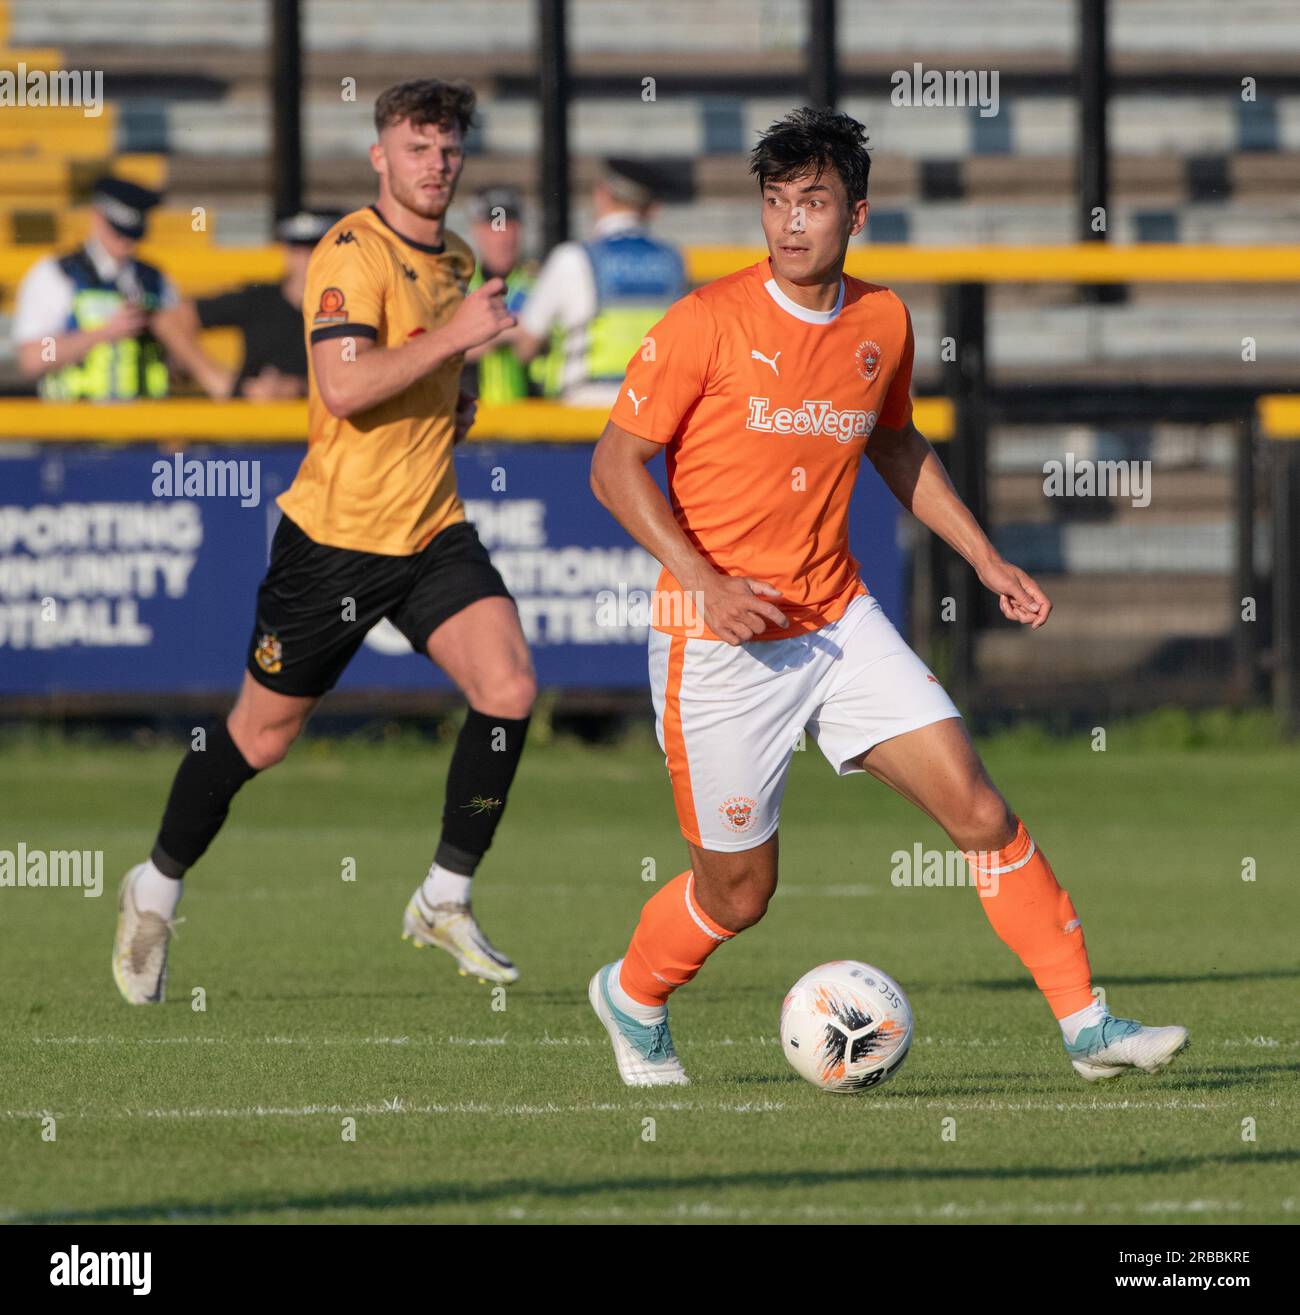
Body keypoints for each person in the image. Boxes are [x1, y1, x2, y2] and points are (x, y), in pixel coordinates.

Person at [585, 107, 1189, 1087]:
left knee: (980, 809)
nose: (789, 224)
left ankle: (1088, 1026)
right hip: (718, 641)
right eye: (775, 203)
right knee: (739, 894)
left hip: (835, 617)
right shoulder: (706, 320)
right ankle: (633, 993)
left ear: (854, 214)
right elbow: (615, 469)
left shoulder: (881, 321)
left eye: (811, 203)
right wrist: (704, 581)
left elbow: (896, 445)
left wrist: (986, 559)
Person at [111, 78, 536, 1004]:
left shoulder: (458, 257)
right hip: (334, 542)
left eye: (449, 147)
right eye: (417, 147)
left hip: (430, 529)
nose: (437, 163)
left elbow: (416, 381)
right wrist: (457, 339)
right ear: (380, 157)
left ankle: (444, 894)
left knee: (508, 686)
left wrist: (454, 400)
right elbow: (343, 389)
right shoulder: (350, 250)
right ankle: (155, 885)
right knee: (259, 739)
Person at [510, 158, 686, 406]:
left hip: (587, 407)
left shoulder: (573, 258)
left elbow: (526, 345)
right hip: (652, 408)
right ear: (651, 208)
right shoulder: (673, 261)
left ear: (601, 195)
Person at [13, 176, 175, 400]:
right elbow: (33, 358)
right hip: (72, 426)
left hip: (145, 427)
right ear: (97, 218)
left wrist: (163, 333)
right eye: (118, 232)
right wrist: (105, 332)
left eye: (133, 235)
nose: (125, 243)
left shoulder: (156, 280)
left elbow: (177, 366)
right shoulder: (55, 275)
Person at [150, 210, 341, 400]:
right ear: (286, 252)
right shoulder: (259, 299)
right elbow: (168, 320)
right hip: (247, 420)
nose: (307, 258)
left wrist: (299, 388)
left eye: (315, 248)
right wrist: (215, 378)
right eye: (298, 249)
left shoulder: (350, 305)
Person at [461, 185, 537, 404]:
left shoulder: (539, 285)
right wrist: (503, 333)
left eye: (511, 226)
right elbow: (434, 348)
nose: (504, 238)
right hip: (473, 422)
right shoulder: (455, 287)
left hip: (536, 419)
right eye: (495, 227)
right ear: (476, 230)